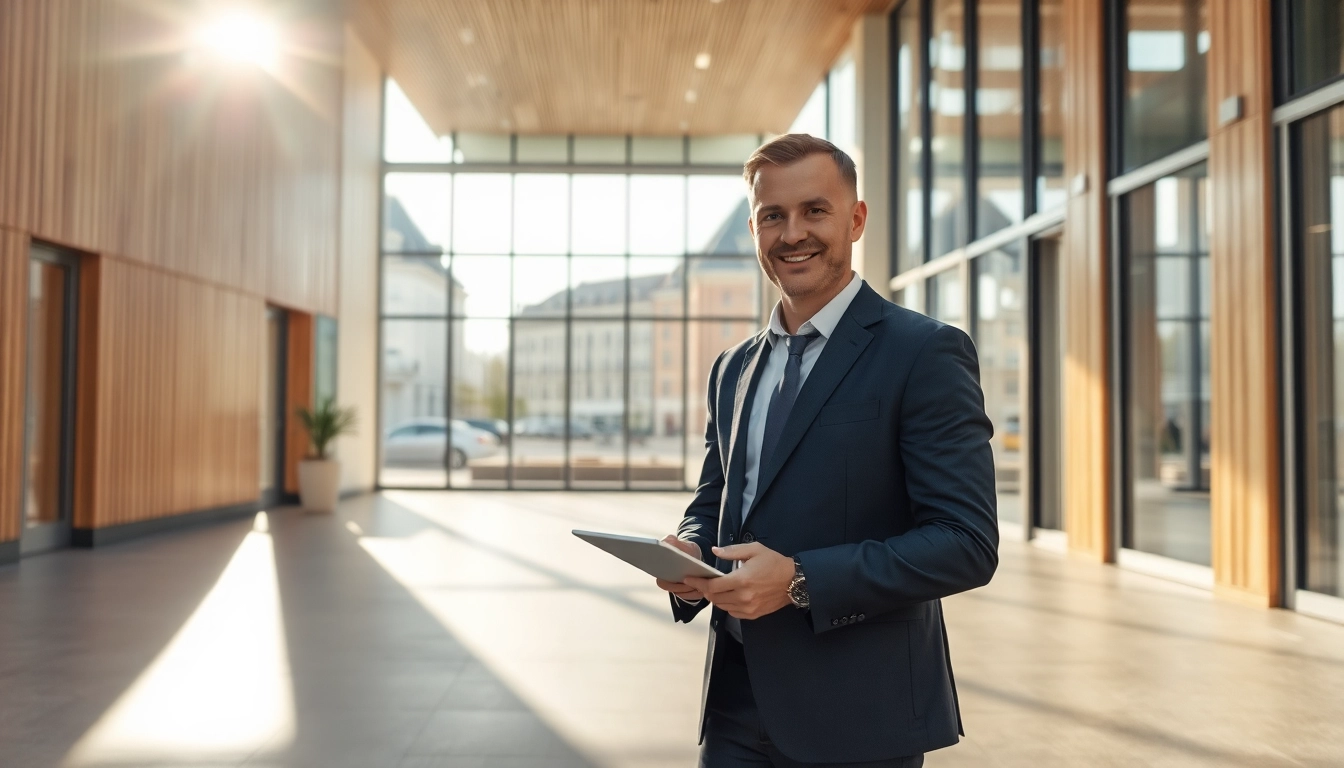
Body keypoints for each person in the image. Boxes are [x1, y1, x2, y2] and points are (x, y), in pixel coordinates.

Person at [656, 134, 998, 767]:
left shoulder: (924, 353)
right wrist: (690, 552)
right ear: (755, 230)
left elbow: (965, 543)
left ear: (856, 219)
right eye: (772, 216)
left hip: (859, 713)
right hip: (736, 701)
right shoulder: (733, 368)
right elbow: (716, 500)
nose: (793, 234)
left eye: (815, 211)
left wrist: (802, 581)